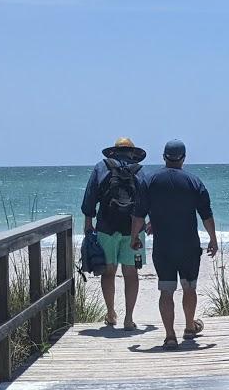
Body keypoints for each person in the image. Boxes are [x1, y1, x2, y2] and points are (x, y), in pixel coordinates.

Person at [130, 139, 217, 349]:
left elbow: (139, 214)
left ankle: (170, 336)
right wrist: (213, 239)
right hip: (188, 245)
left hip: (163, 246)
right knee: (189, 287)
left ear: (164, 157)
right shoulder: (194, 181)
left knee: (166, 290)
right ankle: (189, 327)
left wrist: (134, 237)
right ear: (184, 158)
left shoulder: (150, 181)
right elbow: (206, 215)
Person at [81, 137, 147, 330]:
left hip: (106, 228)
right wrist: (150, 223)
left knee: (109, 272)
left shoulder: (101, 167)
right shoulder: (140, 170)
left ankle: (110, 313)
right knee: (131, 273)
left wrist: (88, 223)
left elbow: (90, 196)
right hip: (133, 230)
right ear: (133, 153)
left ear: (113, 152)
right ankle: (129, 318)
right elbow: (146, 200)